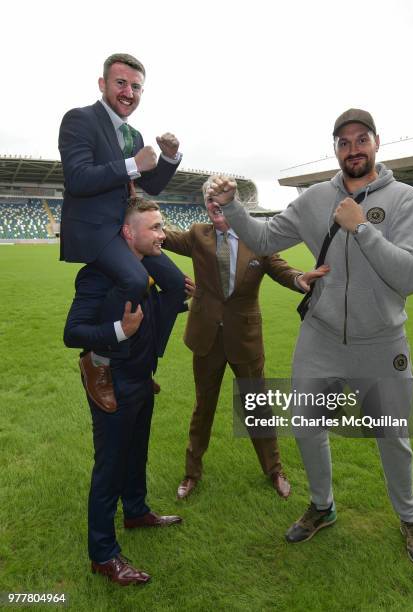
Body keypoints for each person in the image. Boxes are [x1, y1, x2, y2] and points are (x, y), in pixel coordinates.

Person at [208, 110, 413, 566]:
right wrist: (233, 206)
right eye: (344, 141)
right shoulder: (314, 199)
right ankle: (322, 506)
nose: (354, 148)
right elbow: (265, 237)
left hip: (382, 342)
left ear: (376, 143)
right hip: (321, 336)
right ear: (336, 149)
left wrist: (362, 227)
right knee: (308, 425)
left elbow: (411, 276)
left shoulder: (405, 199)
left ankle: (409, 519)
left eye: (361, 139)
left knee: (392, 436)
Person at [163, 176, 329, 500]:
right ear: (206, 205)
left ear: (232, 202)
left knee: (258, 407)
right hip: (206, 337)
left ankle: (274, 470)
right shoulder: (198, 235)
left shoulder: (257, 237)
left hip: (245, 337)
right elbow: (163, 239)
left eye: (219, 198)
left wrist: (299, 278)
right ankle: (191, 473)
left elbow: (281, 268)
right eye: (209, 200)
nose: (214, 205)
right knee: (203, 407)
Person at [64, 198, 184, 586]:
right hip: (111, 383)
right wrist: (120, 331)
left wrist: (174, 303)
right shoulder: (97, 275)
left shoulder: (144, 267)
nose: (163, 234)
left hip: (140, 376)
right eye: (155, 228)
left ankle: (135, 511)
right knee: (110, 468)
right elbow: (73, 333)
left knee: (136, 452)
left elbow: (155, 305)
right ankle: (103, 555)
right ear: (128, 233)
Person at [59, 52, 186, 400]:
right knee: (133, 279)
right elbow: (78, 178)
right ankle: (96, 360)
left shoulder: (133, 133)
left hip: (127, 230)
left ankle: (143, 366)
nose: (129, 92)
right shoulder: (79, 120)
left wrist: (170, 157)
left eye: (136, 87)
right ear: (103, 84)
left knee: (175, 284)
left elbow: (152, 186)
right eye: (121, 83)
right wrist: (132, 164)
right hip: (97, 231)